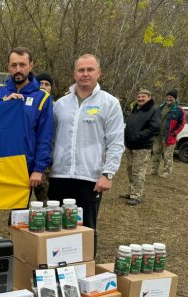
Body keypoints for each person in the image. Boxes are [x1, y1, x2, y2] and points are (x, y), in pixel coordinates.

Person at [49, 54, 124, 254]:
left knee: (86, 229)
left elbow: (116, 142)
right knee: (55, 228)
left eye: (90, 70)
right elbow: (51, 139)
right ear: (74, 74)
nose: (85, 74)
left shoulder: (110, 103)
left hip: (89, 178)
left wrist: (107, 174)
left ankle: (85, 270)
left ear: (99, 73)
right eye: (81, 70)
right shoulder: (60, 104)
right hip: (59, 176)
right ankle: (57, 271)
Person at [0, 47, 54, 227]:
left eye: (22, 65)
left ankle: (17, 250)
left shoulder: (42, 98)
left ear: (31, 66)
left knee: (18, 219)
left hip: (23, 167)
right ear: (8, 66)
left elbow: (44, 137)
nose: (18, 69)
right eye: (14, 65)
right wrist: (1, 107)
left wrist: (38, 169)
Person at [121, 89, 161, 206]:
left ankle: (136, 196)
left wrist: (139, 136)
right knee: (130, 170)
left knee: (138, 171)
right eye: (138, 97)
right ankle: (131, 192)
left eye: (143, 96)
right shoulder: (136, 109)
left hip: (142, 146)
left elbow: (155, 128)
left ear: (149, 97)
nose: (140, 99)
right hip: (130, 146)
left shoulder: (154, 110)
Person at [151, 89, 186, 178]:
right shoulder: (161, 107)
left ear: (175, 98)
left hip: (169, 137)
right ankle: (154, 170)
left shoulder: (179, 110)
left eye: (171, 97)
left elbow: (182, 123)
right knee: (156, 153)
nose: (169, 99)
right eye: (168, 97)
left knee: (167, 156)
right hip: (158, 135)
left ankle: (166, 172)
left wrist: (175, 133)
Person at [32, 71, 55, 205]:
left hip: (48, 162)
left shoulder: (57, 107)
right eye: (40, 83)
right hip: (29, 158)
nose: (43, 86)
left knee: (45, 200)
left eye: (47, 84)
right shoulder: (29, 103)